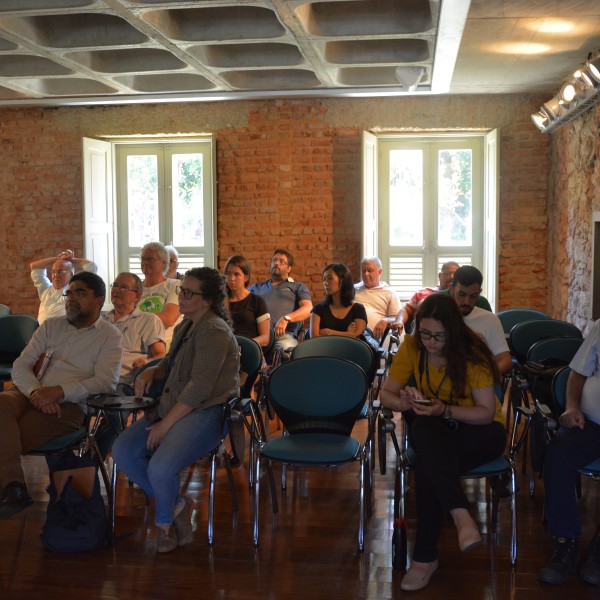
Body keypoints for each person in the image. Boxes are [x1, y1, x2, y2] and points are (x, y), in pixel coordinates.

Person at [381, 293, 505, 592]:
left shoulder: (473, 351)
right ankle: (460, 514)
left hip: (480, 432)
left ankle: (424, 559)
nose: (431, 342)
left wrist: (444, 409)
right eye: (425, 333)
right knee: (425, 433)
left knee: (427, 462)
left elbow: (486, 414)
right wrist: (408, 403)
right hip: (435, 430)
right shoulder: (412, 346)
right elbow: (386, 395)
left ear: (454, 330)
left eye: (438, 335)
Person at [112, 267, 239, 553]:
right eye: (181, 290)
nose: (180, 296)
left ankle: (164, 524)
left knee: (160, 467)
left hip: (207, 412)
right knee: (122, 451)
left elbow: (199, 389)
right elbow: (172, 363)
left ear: (206, 301)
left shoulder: (215, 331)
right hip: (177, 405)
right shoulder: (187, 324)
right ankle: (179, 504)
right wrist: (153, 370)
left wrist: (164, 425)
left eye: (188, 293)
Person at [0, 272, 122, 518]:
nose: (71, 298)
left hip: (68, 406)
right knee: (1, 402)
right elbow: (21, 365)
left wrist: (58, 392)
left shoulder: (109, 335)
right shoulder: (51, 326)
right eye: (70, 292)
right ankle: (14, 487)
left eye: (80, 293)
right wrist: (36, 393)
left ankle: (13, 489)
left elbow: (105, 382)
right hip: (28, 393)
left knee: (7, 436)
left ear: (99, 300)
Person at [538, 320, 600, 586]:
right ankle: (566, 543)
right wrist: (571, 406)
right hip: (590, 422)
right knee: (558, 454)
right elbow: (577, 372)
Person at [102, 272, 166, 389]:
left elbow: (161, 355)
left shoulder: (148, 320)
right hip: (95, 379)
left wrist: (147, 362)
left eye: (124, 287)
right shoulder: (101, 320)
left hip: (124, 384)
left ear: (137, 296)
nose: (116, 290)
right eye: (115, 285)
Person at [448, 266, 512, 374]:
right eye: (462, 294)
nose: (467, 302)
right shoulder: (434, 315)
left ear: (479, 292)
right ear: (451, 289)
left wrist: (483, 379)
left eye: (473, 296)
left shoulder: (490, 319)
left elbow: (505, 360)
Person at [250, 249, 312, 350]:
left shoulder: (297, 287)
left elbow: (308, 309)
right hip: (257, 335)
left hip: (284, 336)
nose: (276, 263)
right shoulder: (255, 288)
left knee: (286, 352)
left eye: (281, 262)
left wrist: (285, 319)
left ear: (289, 268)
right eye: (274, 260)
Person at [30, 249, 96, 324]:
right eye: (53, 272)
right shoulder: (45, 289)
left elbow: (91, 266)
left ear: (71, 274)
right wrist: (58, 259)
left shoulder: (76, 292)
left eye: (60, 272)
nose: (56, 275)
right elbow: (34, 267)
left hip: (65, 334)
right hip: (41, 333)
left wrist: (72, 260)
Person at [138, 242, 181, 347]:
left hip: (165, 348)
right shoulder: (135, 287)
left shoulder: (175, 285)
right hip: (136, 346)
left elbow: (169, 319)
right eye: (143, 259)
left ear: (164, 262)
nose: (145, 263)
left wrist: (133, 317)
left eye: (150, 259)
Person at [311, 263, 368, 339]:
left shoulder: (358, 309)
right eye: (324, 279)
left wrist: (328, 332)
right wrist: (347, 334)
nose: (325, 283)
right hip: (324, 350)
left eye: (330, 278)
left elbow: (357, 337)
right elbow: (314, 338)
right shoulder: (318, 308)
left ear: (343, 280)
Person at [224, 255, 270, 348]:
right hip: (225, 350)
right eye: (228, 274)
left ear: (246, 277)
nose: (232, 278)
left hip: (249, 349)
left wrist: (243, 344)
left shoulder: (257, 301)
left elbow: (265, 338)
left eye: (236, 274)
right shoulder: (220, 301)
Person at [354, 257, 401, 340]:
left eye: (369, 270)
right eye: (363, 271)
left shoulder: (390, 293)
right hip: (350, 333)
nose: (366, 274)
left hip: (372, 338)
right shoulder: (354, 289)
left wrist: (385, 320)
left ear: (379, 272)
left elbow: (396, 318)